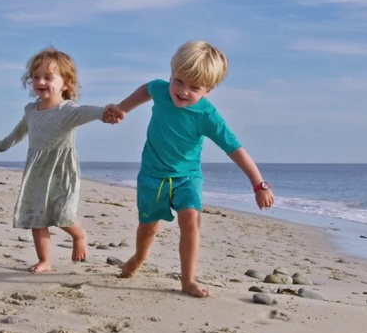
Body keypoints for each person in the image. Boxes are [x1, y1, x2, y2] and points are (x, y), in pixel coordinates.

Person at [104, 40, 274, 297]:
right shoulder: (161, 90)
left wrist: (259, 184)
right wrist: (122, 108)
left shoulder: (208, 116)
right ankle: (139, 258)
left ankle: (188, 280)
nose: (183, 91)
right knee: (148, 226)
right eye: (179, 81)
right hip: (152, 175)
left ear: (209, 90)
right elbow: (146, 89)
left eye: (194, 87)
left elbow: (235, 150)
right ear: (171, 74)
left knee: (190, 219)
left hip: (187, 177)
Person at [0, 47, 122, 273]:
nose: (41, 81)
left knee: (63, 214)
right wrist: (1, 145)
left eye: (49, 77)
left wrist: (106, 114)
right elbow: (18, 132)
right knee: (36, 219)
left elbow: (90, 112)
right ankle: (45, 261)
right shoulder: (31, 110)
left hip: (61, 170)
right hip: (36, 172)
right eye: (36, 77)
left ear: (66, 83)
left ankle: (79, 235)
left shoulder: (68, 110)